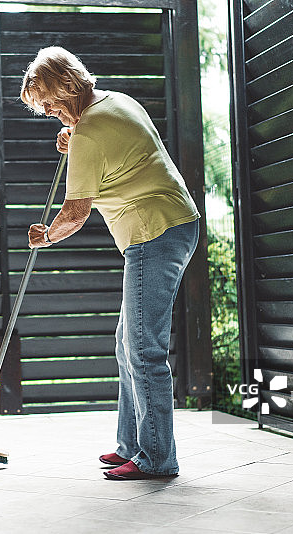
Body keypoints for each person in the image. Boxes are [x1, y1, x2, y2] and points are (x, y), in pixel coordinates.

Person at [21, 47, 200, 480]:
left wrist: (45, 237)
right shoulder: (114, 102)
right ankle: (132, 445)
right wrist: (73, 130)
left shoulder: (89, 131)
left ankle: (157, 458)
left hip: (153, 232)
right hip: (171, 223)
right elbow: (114, 149)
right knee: (128, 345)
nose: (46, 113)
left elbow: (75, 213)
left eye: (47, 102)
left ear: (64, 86)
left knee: (143, 348)